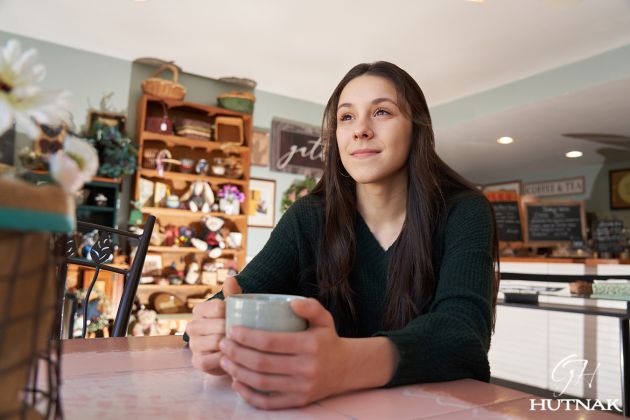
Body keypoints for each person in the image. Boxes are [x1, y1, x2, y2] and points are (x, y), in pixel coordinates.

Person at [185, 61, 499, 410]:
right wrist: (210, 329)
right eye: (347, 117)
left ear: (417, 128)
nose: (360, 130)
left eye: (382, 112)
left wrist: (345, 364)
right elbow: (237, 297)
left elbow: (465, 334)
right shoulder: (308, 217)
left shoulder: (464, 212)